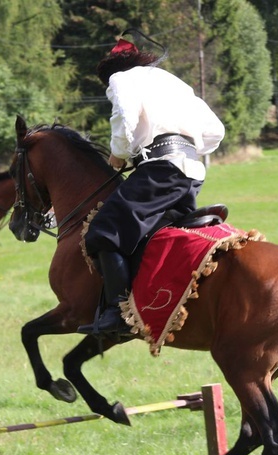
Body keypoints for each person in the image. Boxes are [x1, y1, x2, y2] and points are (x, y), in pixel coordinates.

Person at [77, 29, 226, 336]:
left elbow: (124, 118)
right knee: (156, 236)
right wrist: (186, 147)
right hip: (191, 170)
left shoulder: (121, 79)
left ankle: (116, 315)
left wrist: (118, 156)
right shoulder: (172, 81)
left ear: (111, 72)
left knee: (104, 232)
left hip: (160, 169)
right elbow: (215, 131)